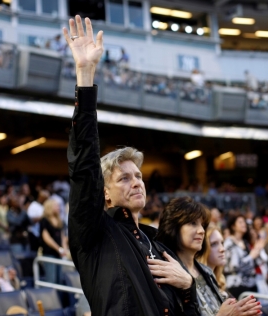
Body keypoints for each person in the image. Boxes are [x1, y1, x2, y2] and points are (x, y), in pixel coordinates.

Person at [65, 15, 198, 316]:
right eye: (123, 178)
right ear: (105, 194)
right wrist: (85, 76)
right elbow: (84, 167)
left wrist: (188, 285)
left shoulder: (158, 245)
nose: (136, 181)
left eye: (138, 176)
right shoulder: (95, 232)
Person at [156, 197, 262, 316]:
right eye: (192, 223)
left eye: (202, 225)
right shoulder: (168, 272)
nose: (201, 230)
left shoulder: (206, 271)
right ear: (173, 226)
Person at [223, 214, 262, 298]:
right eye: (240, 222)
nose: (244, 224)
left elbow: (255, 263)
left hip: (252, 284)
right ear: (233, 226)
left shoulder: (245, 242)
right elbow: (233, 267)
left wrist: (258, 250)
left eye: (244, 222)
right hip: (237, 285)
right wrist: (251, 257)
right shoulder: (229, 243)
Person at [40, 199, 68, 284]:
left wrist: (64, 249)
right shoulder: (44, 220)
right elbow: (46, 238)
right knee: (51, 279)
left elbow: (62, 237)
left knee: (59, 279)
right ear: (49, 207)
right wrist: (58, 248)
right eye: (56, 206)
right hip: (49, 253)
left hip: (58, 254)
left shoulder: (60, 221)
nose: (58, 207)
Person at [198, 226, 227, 295]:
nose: (222, 249)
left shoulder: (218, 279)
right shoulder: (198, 284)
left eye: (222, 243)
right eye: (214, 244)